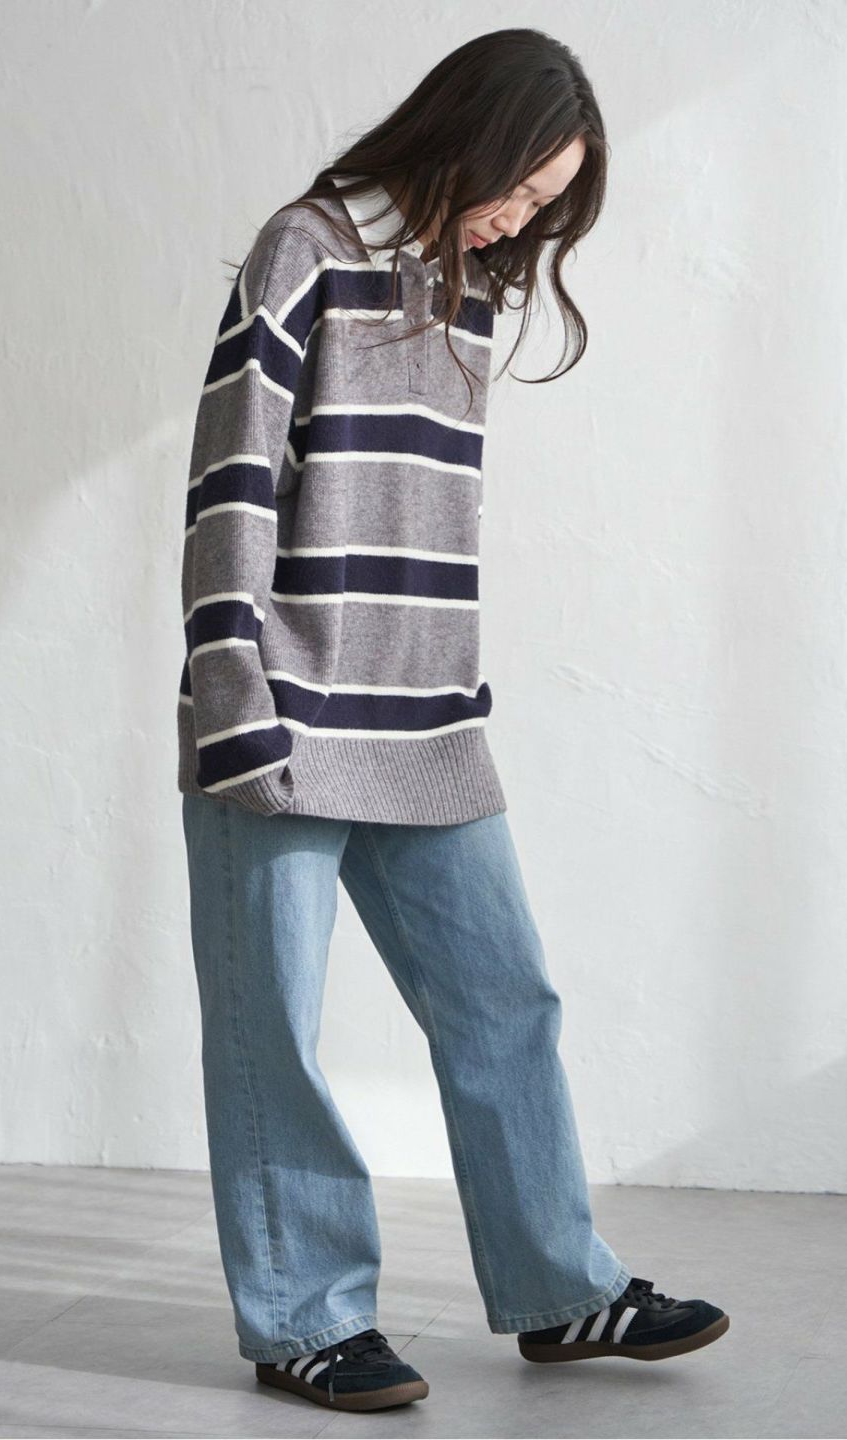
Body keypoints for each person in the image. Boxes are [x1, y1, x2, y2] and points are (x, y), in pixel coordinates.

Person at [178, 27, 729, 1413]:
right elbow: (234, 478)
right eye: (520, 188)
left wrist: (456, 687)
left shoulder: (464, 297)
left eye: (547, 207)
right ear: (465, 136)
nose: (521, 221)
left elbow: (426, 528)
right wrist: (234, 693)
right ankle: (305, 1319)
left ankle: (561, 1290)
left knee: (505, 1003)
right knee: (273, 1032)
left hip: (427, 724)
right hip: (284, 715)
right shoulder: (306, 250)